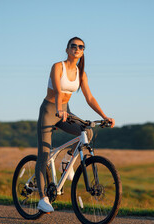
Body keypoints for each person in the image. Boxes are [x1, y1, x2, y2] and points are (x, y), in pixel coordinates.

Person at [36, 37, 115, 213]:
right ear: (67, 49)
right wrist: (58, 110)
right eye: (74, 46)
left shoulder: (81, 73)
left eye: (81, 47)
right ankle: (42, 198)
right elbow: (57, 90)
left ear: (83, 51)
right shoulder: (58, 66)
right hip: (50, 111)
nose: (77, 48)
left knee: (87, 131)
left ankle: (67, 161)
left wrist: (104, 116)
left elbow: (90, 98)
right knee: (43, 154)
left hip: (65, 111)